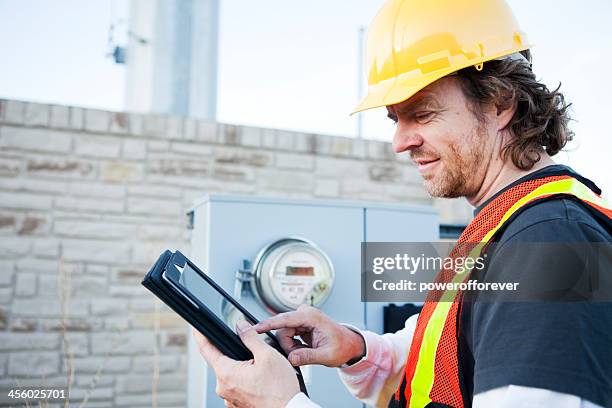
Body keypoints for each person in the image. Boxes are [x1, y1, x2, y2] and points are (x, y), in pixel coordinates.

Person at [193, 0, 612, 406]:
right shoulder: (510, 224)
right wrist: (355, 348)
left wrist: (280, 404)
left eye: (423, 114)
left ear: (500, 103)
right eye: (397, 119)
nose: (400, 142)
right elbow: (450, 357)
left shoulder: (547, 243)